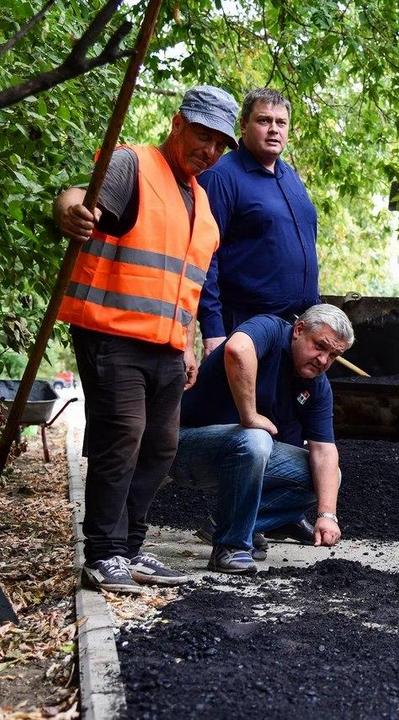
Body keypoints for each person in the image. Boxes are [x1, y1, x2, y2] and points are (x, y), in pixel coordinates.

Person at [54, 86, 239, 593]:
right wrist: (68, 208)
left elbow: (187, 285)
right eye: (204, 137)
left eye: (221, 145)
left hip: (165, 346)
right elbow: (79, 200)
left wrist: (188, 342)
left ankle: (131, 547)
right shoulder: (131, 165)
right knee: (123, 440)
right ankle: (103, 553)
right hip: (111, 333)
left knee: (161, 447)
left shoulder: (200, 202)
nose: (211, 152)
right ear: (178, 124)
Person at [169, 304, 352, 574]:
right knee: (256, 438)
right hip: (184, 447)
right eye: (320, 346)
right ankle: (230, 547)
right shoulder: (269, 329)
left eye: (333, 355)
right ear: (299, 330)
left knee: (328, 476)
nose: (324, 360)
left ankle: (231, 525)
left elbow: (324, 450)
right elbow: (237, 349)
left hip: (243, 459)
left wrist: (327, 516)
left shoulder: (318, 386)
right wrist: (250, 415)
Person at [197, 87, 320, 356]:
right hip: (244, 327)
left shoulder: (290, 177)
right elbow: (203, 256)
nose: (274, 129)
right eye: (264, 121)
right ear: (243, 125)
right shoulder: (220, 177)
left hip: (295, 329)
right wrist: (213, 330)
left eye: (281, 122)